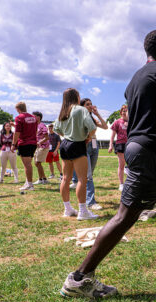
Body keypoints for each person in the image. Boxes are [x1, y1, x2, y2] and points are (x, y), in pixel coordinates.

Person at [60, 30, 156, 299]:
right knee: (125, 215)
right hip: (150, 152)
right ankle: (79, 278)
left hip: (143, 150)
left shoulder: (134, 79)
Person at [53, 88, 98, 221]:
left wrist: (66, 135)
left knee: (65, 178)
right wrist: (88, 138)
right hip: (77, 144)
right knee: (82, 179)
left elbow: (56, 129)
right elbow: (92, 128)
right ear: (76, 97)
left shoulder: (63, 111)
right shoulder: (81, 109)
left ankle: (67, 209)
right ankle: (83, 211)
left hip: (65, 144)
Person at [76, 97, 108, 210]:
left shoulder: (93, 118)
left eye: (91, 104)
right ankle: (91, 202)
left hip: (94, 146)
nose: (90, 106)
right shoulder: (79, 118)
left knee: (90, 173)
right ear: (82, 107)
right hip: (85, 146)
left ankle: (83, 194)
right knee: (88, 176)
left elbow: (105, 127)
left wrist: (97, 114)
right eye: (87, 104)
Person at [12, 101, 38, 191]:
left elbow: (17, 132)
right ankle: (27, 182)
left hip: (24, 143)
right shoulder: (33, 117)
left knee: (27, 165)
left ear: (18, 109)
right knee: (28, 164)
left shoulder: (19, 117)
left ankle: (30, 185)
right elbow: (35, 131)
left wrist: (13, 144)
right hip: (33, 143)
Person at [108, 105, 128, 191]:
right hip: (120, 144)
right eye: (123, 111)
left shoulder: (132, 121)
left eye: (126, 111)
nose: (124, 112)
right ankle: (121, 184)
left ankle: (130, 182)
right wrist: (110, 145)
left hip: (130, 144)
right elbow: (112, 135)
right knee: (121, 165)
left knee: (131, 164)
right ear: (121, 113)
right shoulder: (117, 122)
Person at [32, 111, 50, 185]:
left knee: (37, 162)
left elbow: (47, 137)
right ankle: (44, 179)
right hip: (38, 147)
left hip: (43, 146)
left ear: (38, 117)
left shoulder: (42, 125)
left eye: (34, 116)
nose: (32, 118)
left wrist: (39, 142)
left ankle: (40, 179)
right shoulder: (35, 125)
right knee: (36, 163)